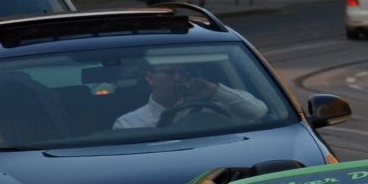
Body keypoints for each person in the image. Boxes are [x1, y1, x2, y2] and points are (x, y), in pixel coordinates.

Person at [113, 60, 268, 129]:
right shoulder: (128, 124)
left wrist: (215, 91)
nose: (177, 79)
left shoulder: (213, 109)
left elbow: (259, 112)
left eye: (182, 73)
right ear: (150, 78)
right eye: (168, 73)